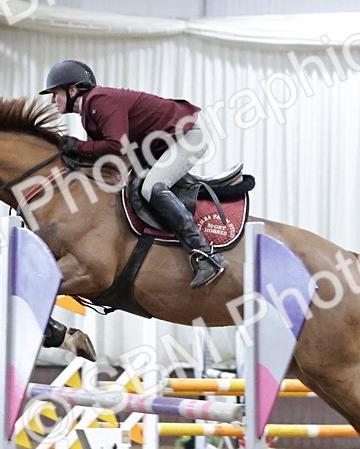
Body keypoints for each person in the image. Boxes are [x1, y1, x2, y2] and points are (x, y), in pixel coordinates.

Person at [40, 60, 227, 289]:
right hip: (159, 146)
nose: (51, 100)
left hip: (189, 134)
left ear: (72, 90)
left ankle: (206, 254)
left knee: (152, 188)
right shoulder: (89, 114)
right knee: (131, 187)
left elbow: (117, 146)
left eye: (54, 93)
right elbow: (103, 159)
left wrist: (76, 146)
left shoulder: (99, 100)